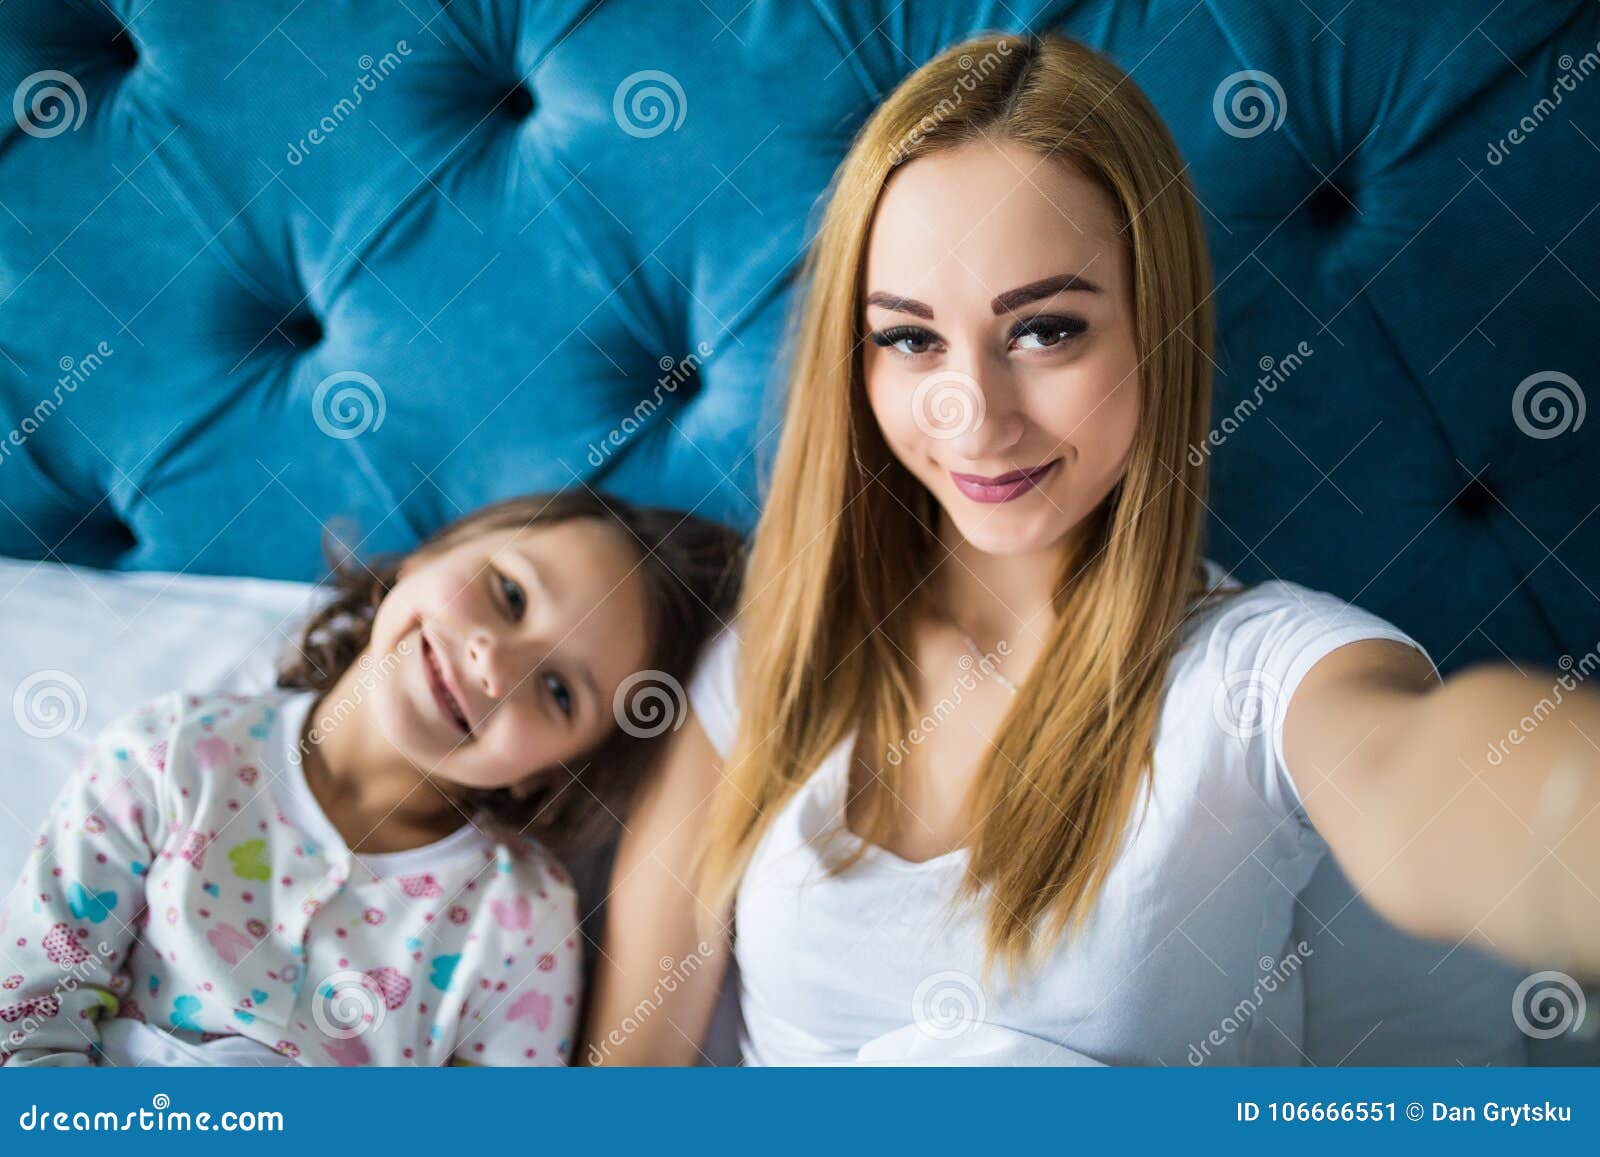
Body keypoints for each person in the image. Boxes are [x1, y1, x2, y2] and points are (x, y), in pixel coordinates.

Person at [581, 34, 1600, 1066]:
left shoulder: (1250, 673)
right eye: (909, 338)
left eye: (1045, 331)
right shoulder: (769, 662)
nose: (973, 416)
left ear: (1156, 329)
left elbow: (1418, 769)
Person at [1, 491, 740, 1066]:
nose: (495, 663)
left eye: (556, 691)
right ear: (425, 558)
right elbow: (28, 1015)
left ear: (548, 775)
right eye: (510, 595)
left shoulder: (521, 919)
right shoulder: (173, 755)